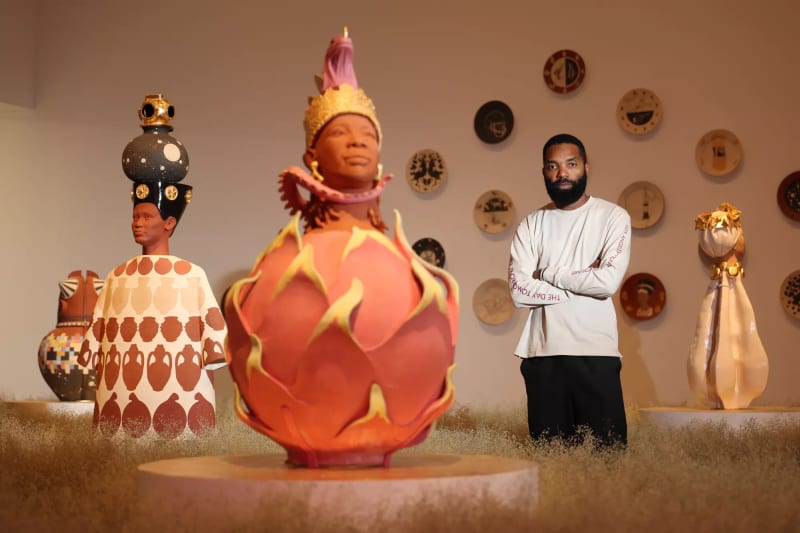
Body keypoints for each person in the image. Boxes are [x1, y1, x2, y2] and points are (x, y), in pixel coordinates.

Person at [79, 94, 227, 439]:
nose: (138, 223)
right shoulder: (117, 276)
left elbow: (213, 333)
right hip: (120, 387)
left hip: (182, 390)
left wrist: (211, 356)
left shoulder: (191, 276)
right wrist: (91, 357)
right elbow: (97, 331)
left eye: (147, 216)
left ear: (169, 223)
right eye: (135, 216)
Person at [508, 133, 631, 447]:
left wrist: (547, 273)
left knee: (608, 459)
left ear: (586, 167)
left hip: (597, 354)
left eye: (571, 164)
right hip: (542, 356)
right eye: (553, 166)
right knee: (550, 462)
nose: (562, 173)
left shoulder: (613, 217)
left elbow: (608, 282)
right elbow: (519, 290)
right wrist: (581, 285)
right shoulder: (531, 224)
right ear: (544, 172)